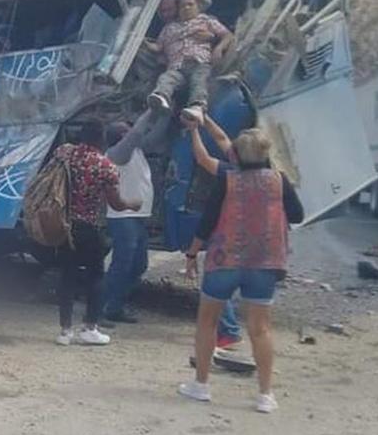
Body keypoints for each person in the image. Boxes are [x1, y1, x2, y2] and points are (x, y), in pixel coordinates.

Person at [179, 128, 304, 413]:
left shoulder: (227, 178)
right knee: (260, 329)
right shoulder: (278, 180)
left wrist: (191, 252)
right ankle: (265, 395)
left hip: (224, 260)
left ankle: (201, 385)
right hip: (265, 262)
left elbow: (208, 219)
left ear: (237, 153)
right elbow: (297, 215)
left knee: (207, 322)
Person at [52, 120, 141, 346]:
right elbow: (117, 203)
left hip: (63, 225)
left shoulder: (65, 154)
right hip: (89, 227)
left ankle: (64, 331)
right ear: (101, 139)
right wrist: (134, 204)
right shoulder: (104, 166)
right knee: (95, 276)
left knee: (67, 276)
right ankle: (90, 327)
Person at [99, 110, 171, 325]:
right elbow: (138, 133)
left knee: (138, 265)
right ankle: (101, 308)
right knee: (122, 264)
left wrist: (168, 113)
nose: (132, 130)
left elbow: (156, 136)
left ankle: (114, 306)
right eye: (126, 130)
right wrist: (152, 109)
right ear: (122, 136)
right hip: (123, 216)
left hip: (136, 216)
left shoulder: (136, 151)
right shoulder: (116, 153)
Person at [188, 114, 245, 349]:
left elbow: (202, 158)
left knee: (217, 283)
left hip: (229, 235)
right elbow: (221, 138)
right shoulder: (265, 170)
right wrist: (205, 118)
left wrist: (193, 130)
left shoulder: (229, 174)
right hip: (257, 237)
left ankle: (230, 331)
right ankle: (228, 329)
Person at [146, 0, 234, 125]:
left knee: (199, 81)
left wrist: (219, 48)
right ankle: (161, 97)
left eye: (190, 5)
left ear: (197, 6)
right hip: (177, 67)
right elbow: (158, 47)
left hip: (199, 62)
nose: (186, 8)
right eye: (182, 6)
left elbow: (227, 35)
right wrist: (143, 42)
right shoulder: (168, 28)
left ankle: (197, 107)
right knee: (166, 79)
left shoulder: (205, 21)